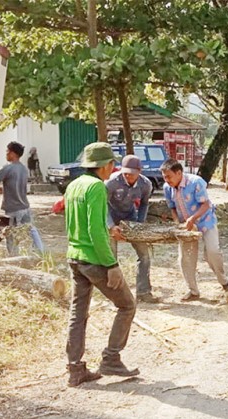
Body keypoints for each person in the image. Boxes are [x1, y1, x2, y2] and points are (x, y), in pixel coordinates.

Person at [64, 142, 139, 387]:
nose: (113, 168)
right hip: (94, 260)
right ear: (105, 166)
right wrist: (112, 264)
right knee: (127, 305)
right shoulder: (96, 187)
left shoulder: (73, 185)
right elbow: (96, 230)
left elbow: (70, 225)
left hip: (74, 256)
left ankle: (75, 369)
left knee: (78, 313)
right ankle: (111, 358)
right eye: (112, 164)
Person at [161, 159, 228, 301]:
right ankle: (193, 290)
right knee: (185, 258)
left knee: (212, 252)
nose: (167, 180)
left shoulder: (196, 182)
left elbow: (206, 205)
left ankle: (224, 282)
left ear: (179, 173)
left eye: (169, 176)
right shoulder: (166, 188)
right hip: (186, 227)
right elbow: (172, 208)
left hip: (205, 221)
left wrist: (193, 219)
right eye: (164, 177)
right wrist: (177, 223)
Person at [106, 155, 160, 304]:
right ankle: (113, 294)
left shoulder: (146, 184)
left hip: (130, 217)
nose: (128, 175)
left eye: (131, 173)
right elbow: (102, 205)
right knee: (110, 257)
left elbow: (144, 204)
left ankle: (143, 292)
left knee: (144, 255)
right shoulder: (111, 182)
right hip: (111, 217)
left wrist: (139, 225)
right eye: (125, 172)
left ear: (139, 171)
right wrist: (111, 226)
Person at [0, 141, 45, 255]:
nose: (6, 154)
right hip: (25, 207)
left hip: (12, 209)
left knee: (10, 235)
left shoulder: (7, 168)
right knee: (32, 230)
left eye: (7, 151)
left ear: (13, 153)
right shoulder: (23, 169)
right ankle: (40, 253)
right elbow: (13, 185)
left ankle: (13, 257)